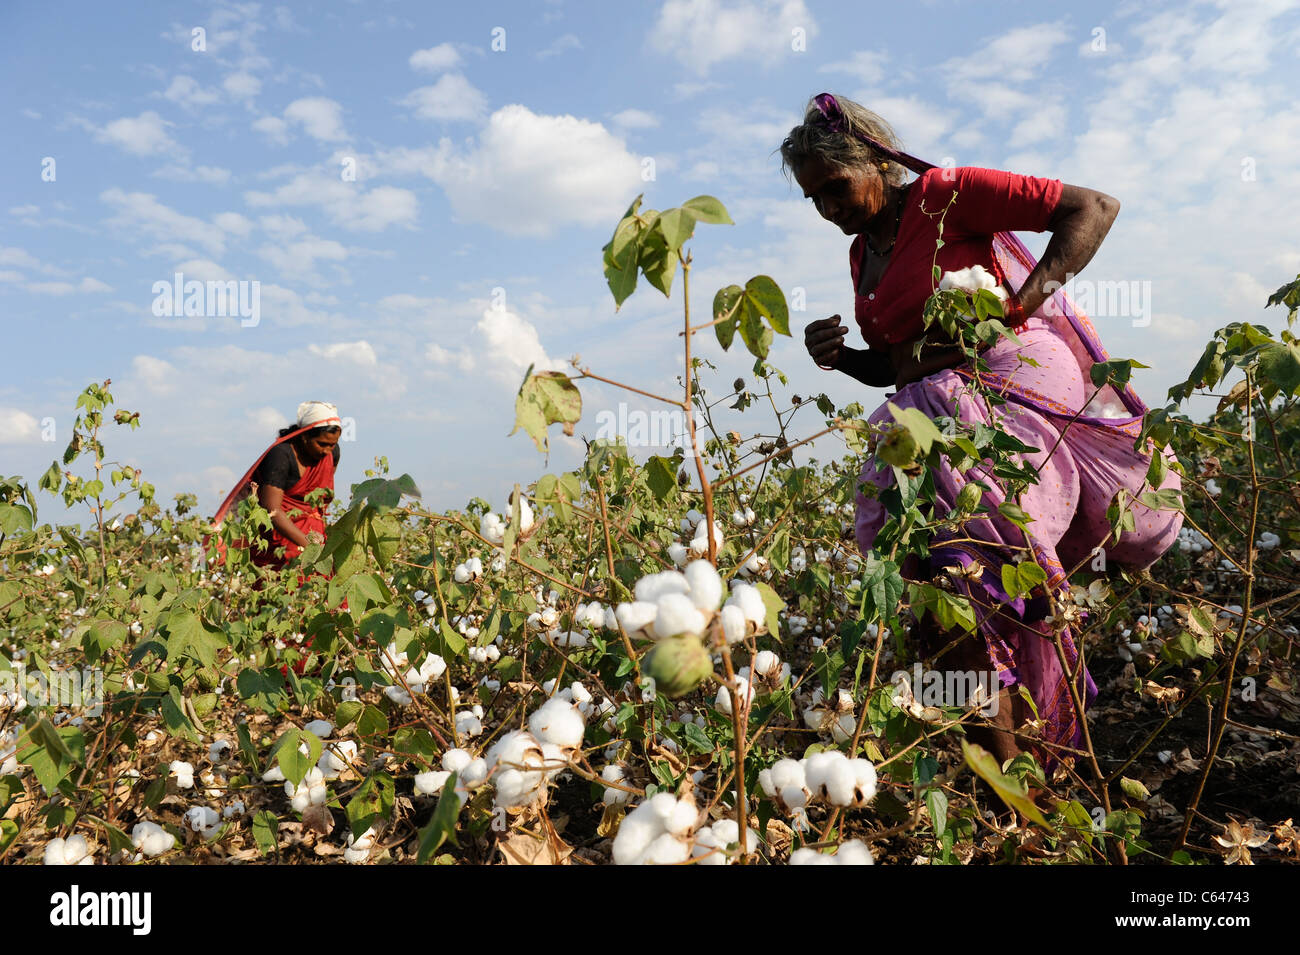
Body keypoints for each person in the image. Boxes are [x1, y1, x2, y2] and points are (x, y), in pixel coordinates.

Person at [781, 93, 1184, 768]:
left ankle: (1028, 781)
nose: (829, 206)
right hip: (922, 417)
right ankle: (1005, 783)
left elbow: (1093, 208)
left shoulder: (946, 194)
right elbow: (902, 365)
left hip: (1003, 388)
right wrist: (840, 357)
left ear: (877, 162)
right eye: (814, 197)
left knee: (972, 579)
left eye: (836, 186)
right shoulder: (862, 256)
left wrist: (1014, 306)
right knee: (930, 596)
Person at [211, 401, 342, 570]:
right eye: (321, 444)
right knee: (287, 584)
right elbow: (272, 510)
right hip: (281, 537)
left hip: (315, 535)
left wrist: (319, 546)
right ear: (304, 436)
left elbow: (321, 494)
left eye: (332, 444)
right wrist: (312, 549)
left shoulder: (332, 454)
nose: (327, 450)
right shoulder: (281, 455)